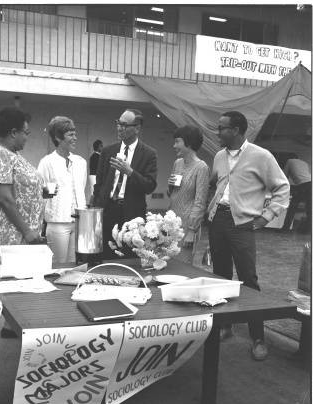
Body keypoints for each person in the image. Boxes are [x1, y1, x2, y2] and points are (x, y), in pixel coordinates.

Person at [208, 111, 290, 361]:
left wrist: (267, 217)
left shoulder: (261, 156)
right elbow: (216, 183)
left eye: (222, 128)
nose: (217, 132)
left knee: (248, 279)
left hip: (242, 224)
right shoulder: (219, 156)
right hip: (217, 221)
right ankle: (224, 326)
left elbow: (282, 187)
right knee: (220, 278)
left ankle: (258, 338)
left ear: (237, 130)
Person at [0, 107, 52, 338]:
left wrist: (39, 191)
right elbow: (4, 198)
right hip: (15, 233)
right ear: (13, 132)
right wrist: (27, 231)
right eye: (26, 132)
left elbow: (21, 185)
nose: (27, 136)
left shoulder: (13, 154)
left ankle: (15, 326)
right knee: (17, 281)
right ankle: (16, 327)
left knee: (25, 281)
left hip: (26, 231)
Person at [92, 108, 157, 258]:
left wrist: (130, 172)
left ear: (137, 128)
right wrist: (97, 208)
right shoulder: (108, 151)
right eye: (118, 123)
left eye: (124, 125)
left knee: (129, 258)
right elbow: (99, 184)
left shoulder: (149, 154)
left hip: (132, 216)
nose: (119, 127)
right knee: (105, 257)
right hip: (108, 211)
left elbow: (150, 185)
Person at [37, 116, 87, 263]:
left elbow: (81, 189)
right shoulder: (46, 162)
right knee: (58, 266)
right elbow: (39, 192)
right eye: (70, 135)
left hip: (78, 222)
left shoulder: (80, 162)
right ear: (58, 138)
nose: (75, 138)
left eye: (75, 134)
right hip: (57, 223)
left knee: (73, 265)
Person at [167, 125, 209, 264]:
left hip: (187, 226)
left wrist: (191, 231)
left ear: (189, 143)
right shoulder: (177, 163)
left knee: (182, 266)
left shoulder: (201, 167)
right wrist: (170, 186)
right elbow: (172, 194)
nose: (174, 146)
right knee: (167, 264)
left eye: (177, 141)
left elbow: (200, 202)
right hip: (171, 223)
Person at [282, 156, 311, 232]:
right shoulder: (305, 163)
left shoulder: (289, 160)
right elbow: (306, 176)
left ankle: (285, 229)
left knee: (292, 207)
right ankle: (308, 231)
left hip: (303, 185)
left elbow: (284, 177)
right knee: (309, 209)